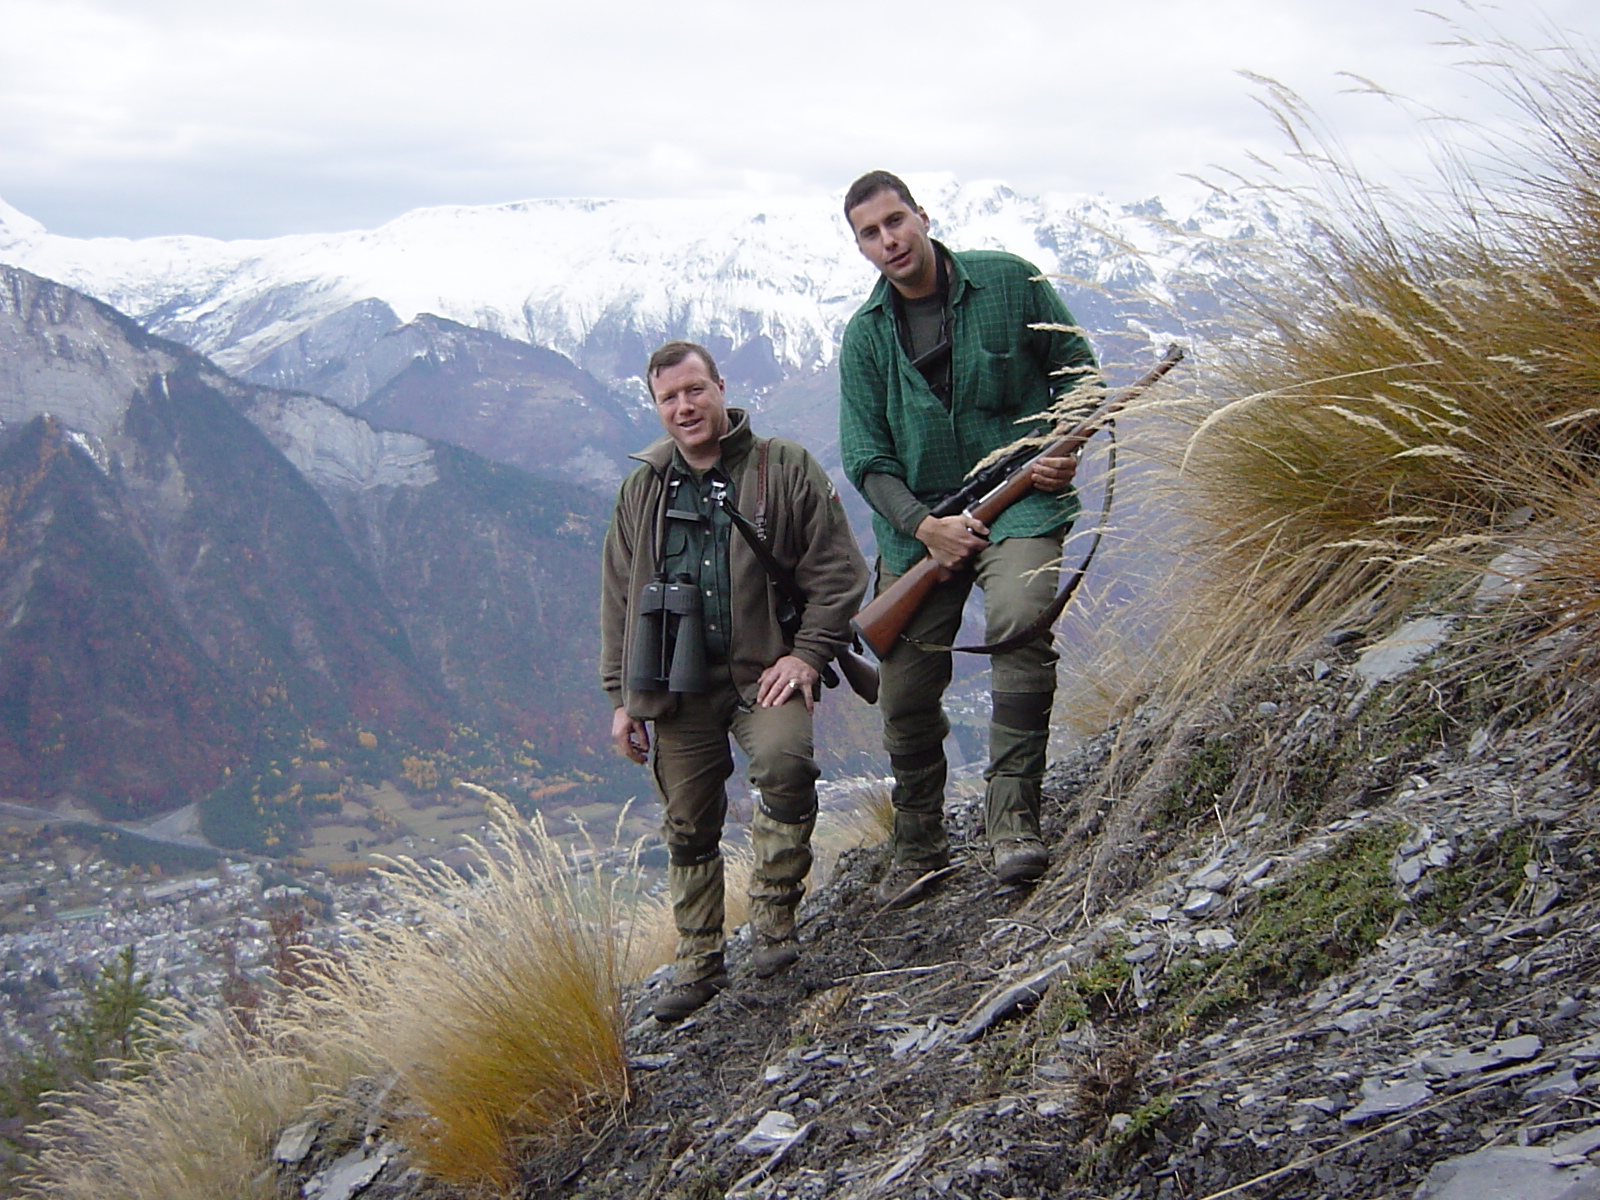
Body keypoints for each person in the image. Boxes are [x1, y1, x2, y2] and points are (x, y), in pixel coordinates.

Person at [838, 170, 1098, 903]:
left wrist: (1064, 444)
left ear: (922, 216)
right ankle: (918, 841)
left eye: (896, 221)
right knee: (905, 689)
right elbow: (866, 459)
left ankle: (1012, 820)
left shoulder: (1010, 281)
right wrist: (925, 527)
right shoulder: (863, 338)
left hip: (1021, 504)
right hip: (920, 527)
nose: (888, 240)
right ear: (859, 245)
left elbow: (1081, 375)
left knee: (1019, 619)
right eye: (870, 232)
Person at [601, 340, 867, 1021]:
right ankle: (700, 961)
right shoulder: (643, 491)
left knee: (785, 765)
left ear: (721, 388)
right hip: (675, 682)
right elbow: (618, 596)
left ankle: (775, 922)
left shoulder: (784, 468)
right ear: (656, 406)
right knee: (687, 819)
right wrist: (622, 697)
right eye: (670, 397)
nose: (685, 406)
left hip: (764, 672)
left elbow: (838, 571)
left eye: (696, 390)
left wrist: (806, 655)